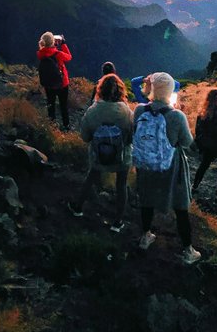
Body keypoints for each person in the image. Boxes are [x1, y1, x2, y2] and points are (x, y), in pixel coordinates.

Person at [133, 72, 201, 264]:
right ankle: (188, 250)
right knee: (181, 208)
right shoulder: (176, 116)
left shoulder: (139, 110)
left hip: (146, 165)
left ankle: (145, 236)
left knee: (146, 200)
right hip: (171, 167)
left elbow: (134, 133)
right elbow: (187, 142)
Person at [68, 74, 133, 232]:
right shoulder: (126, 112)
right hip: (121, 157)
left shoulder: (93, 110)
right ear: (120, 91)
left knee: (91, 176)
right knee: (121, 185)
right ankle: (117, 222)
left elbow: (85, 137)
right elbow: (130, 138)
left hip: (98, 156)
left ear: (100, 90)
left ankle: (78, 207)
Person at [37, 31, 72, 130]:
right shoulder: (58, 54)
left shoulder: (41, 54)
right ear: (53, 42)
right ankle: (66, 126)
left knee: (50, 104)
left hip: (48, 84)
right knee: (63, 105)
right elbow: (69, 57)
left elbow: (48, 51)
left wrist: (52, 46)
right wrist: (63, 44)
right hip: (62, 83)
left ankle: (52, 126)